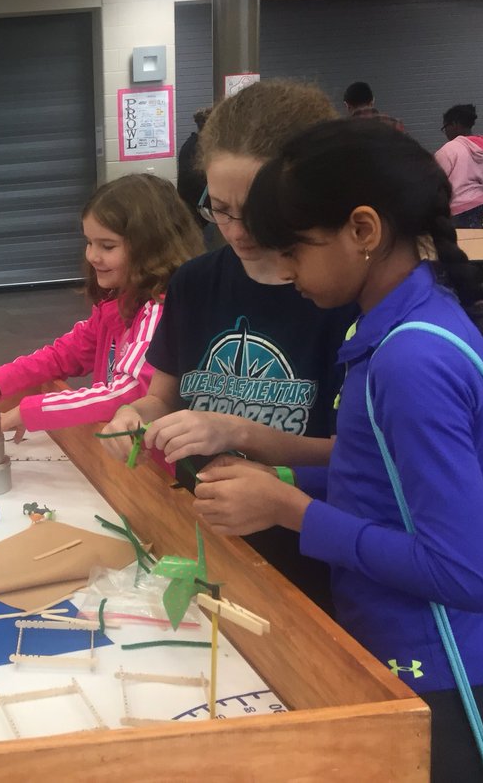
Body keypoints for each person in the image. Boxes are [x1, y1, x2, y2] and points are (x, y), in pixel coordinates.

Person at [193, 119, 483, 782]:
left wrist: (290, 510)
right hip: (387, 647)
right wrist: (279, 475)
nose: (283, 271)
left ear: (363, 230)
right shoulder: (390, 328)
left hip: (438, 675)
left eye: (295, 250)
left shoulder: (410, 360)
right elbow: (378, 475)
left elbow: (464, 574)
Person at [100, 80, 358, 609]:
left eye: (256, 211)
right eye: (218, 208)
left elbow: (359, 461)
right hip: (205, 541)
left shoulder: (341, 299)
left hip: (310, 564)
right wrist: (135, 413)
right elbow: (163, 396)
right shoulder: (195, 282)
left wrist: (238, 431)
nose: (237, 231)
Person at [0, 175, 202, 438]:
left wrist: (29, 411)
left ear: (152, 247)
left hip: (149, 465)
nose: (92, 256)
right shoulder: (117, 303)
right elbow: (65, 353)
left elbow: (128, 393)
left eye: (108, 246)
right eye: (89, 242)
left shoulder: (160, 312)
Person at [434, 103, 483, 229]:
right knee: (473, 242)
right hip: (478, 204)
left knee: (455, 244)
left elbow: (435, 181)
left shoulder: (449, 150)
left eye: (445, 127)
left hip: (455, 209)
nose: (445, 132)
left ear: (454, 124)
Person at [176, 106, 212, 234]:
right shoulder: (193, 148)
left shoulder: (202, 146)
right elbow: (192, 180)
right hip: (195, 211)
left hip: (202, 211)